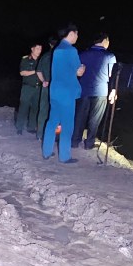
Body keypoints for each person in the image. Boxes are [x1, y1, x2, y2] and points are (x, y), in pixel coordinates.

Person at [41, 23, 85, 163]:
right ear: (71, 33)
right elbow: (78, 71)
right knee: (67, 124)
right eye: (76, 34)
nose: (77, 37)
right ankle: (65, 156)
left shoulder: (57, 49)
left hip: (55, 91)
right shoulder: (71, 50)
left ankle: (46, 151)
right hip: (67, 92)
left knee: (52, 121)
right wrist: (82, 68)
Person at [71, 32, 117, 150]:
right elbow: (112, 75)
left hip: (83, 90)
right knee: (95, 119)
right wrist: (114, 90)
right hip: (101, 91)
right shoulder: (110, 56)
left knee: (80, 116)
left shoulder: (83, 54)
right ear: (104, 41)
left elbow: (76, 71)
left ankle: (75, 141)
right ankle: (89, 143)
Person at [15, 42, 44, 135]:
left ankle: (31, 126)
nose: (39, 51)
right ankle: (19, 127)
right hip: (27, 87)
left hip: (38, 88)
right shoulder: (26, 59)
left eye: (40, 49)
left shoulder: (41, 60)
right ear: (32, 49)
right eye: (37, 48)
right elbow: (22, 72)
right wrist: (36, 71)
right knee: (23, 107)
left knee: (35, 108)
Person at [34, 35, 58, 140]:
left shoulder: (44, 56)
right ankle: (52, 136)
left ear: (49, 44)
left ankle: (39, 134)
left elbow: (38, 71)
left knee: (43, 110)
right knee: (55, 112)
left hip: (45, 86)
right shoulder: (60, 56)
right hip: (57, 88)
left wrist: (43, 81)